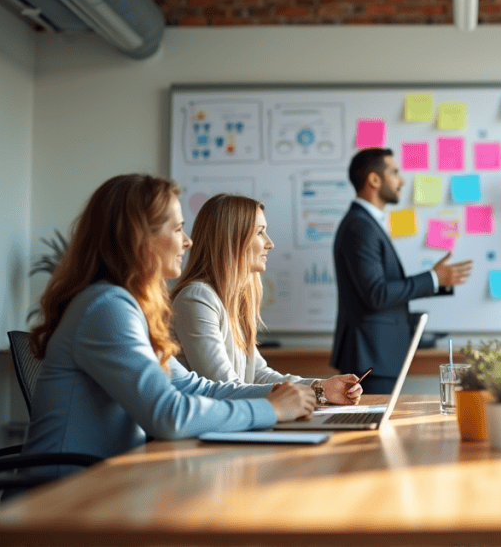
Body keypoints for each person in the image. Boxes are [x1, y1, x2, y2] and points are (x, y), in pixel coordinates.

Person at [22, 174, 316, 477]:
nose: (188, 241)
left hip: (105, 483)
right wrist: (272, 409)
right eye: (177, 229)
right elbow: (167, 414)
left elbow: (191, 387)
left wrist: (290, 395)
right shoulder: (106, 307)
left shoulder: (127, 305)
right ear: (139, 238)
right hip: (62, 495)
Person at [172, 194, 362, 406]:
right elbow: (224, 387)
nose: (269, 243)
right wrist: (312, 394)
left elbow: (258, 373)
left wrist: (322, 387)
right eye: (260, 232)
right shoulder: (197, 299)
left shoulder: (234, 301)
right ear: (233, 239)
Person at [332, 147, 473, 393]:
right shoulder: (360, 227)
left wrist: (437, 280)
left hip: (377, 356)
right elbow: (376, 294)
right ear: (374, 180)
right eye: (395, 172)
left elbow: (380, 288)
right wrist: (432, 278)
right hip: (371, 356)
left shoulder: (365, 223)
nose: (402, 180)